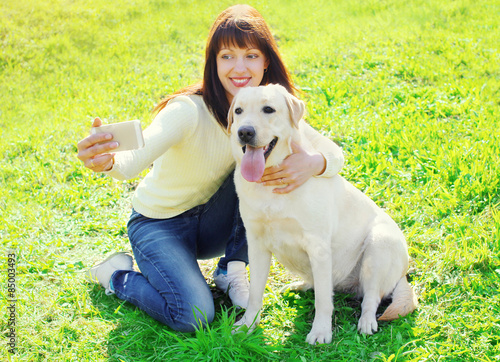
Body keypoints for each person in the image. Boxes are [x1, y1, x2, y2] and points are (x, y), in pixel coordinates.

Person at [77, 4, 344, 333]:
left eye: (251, 55)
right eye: (227, 56)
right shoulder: (188, 111)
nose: (239, 67)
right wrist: (107, 161)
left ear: (265, 62)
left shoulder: (269, 110)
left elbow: (333, 153)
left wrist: (314, 162)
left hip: (210, 223)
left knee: (252, 172)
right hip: (159, 225)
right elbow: (134, 159)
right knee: (194, 315)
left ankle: (231, 271)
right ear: (213, 62)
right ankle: (116, 275)